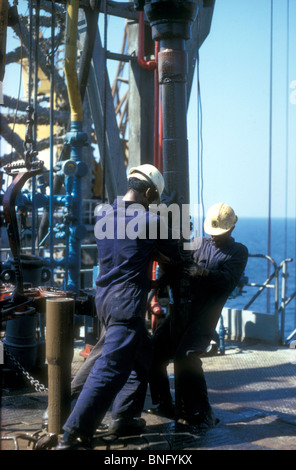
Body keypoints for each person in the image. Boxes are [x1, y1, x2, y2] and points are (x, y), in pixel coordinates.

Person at [56, 164, 183, 450]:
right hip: (126, 303)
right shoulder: (152, 222)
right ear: (149, 192)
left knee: (142, 354)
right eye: (154, 199)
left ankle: (124, 417)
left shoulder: (103, 213)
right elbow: (173, 254)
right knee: (111, 368)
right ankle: (75, 433)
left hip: (103, 298)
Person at [148, 202, 248, 427]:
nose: (213, 237)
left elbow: (228, 280)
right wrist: (158, 280)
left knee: (187, 356)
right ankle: (163, 403)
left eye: (219, 233)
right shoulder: (199, 243)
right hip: (182, 311)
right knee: (154, 352)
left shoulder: (239, 252)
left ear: (231, 229)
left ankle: (204, 412)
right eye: (212, 233)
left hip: (205, 315)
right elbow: (177, 266)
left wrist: (203, 272)